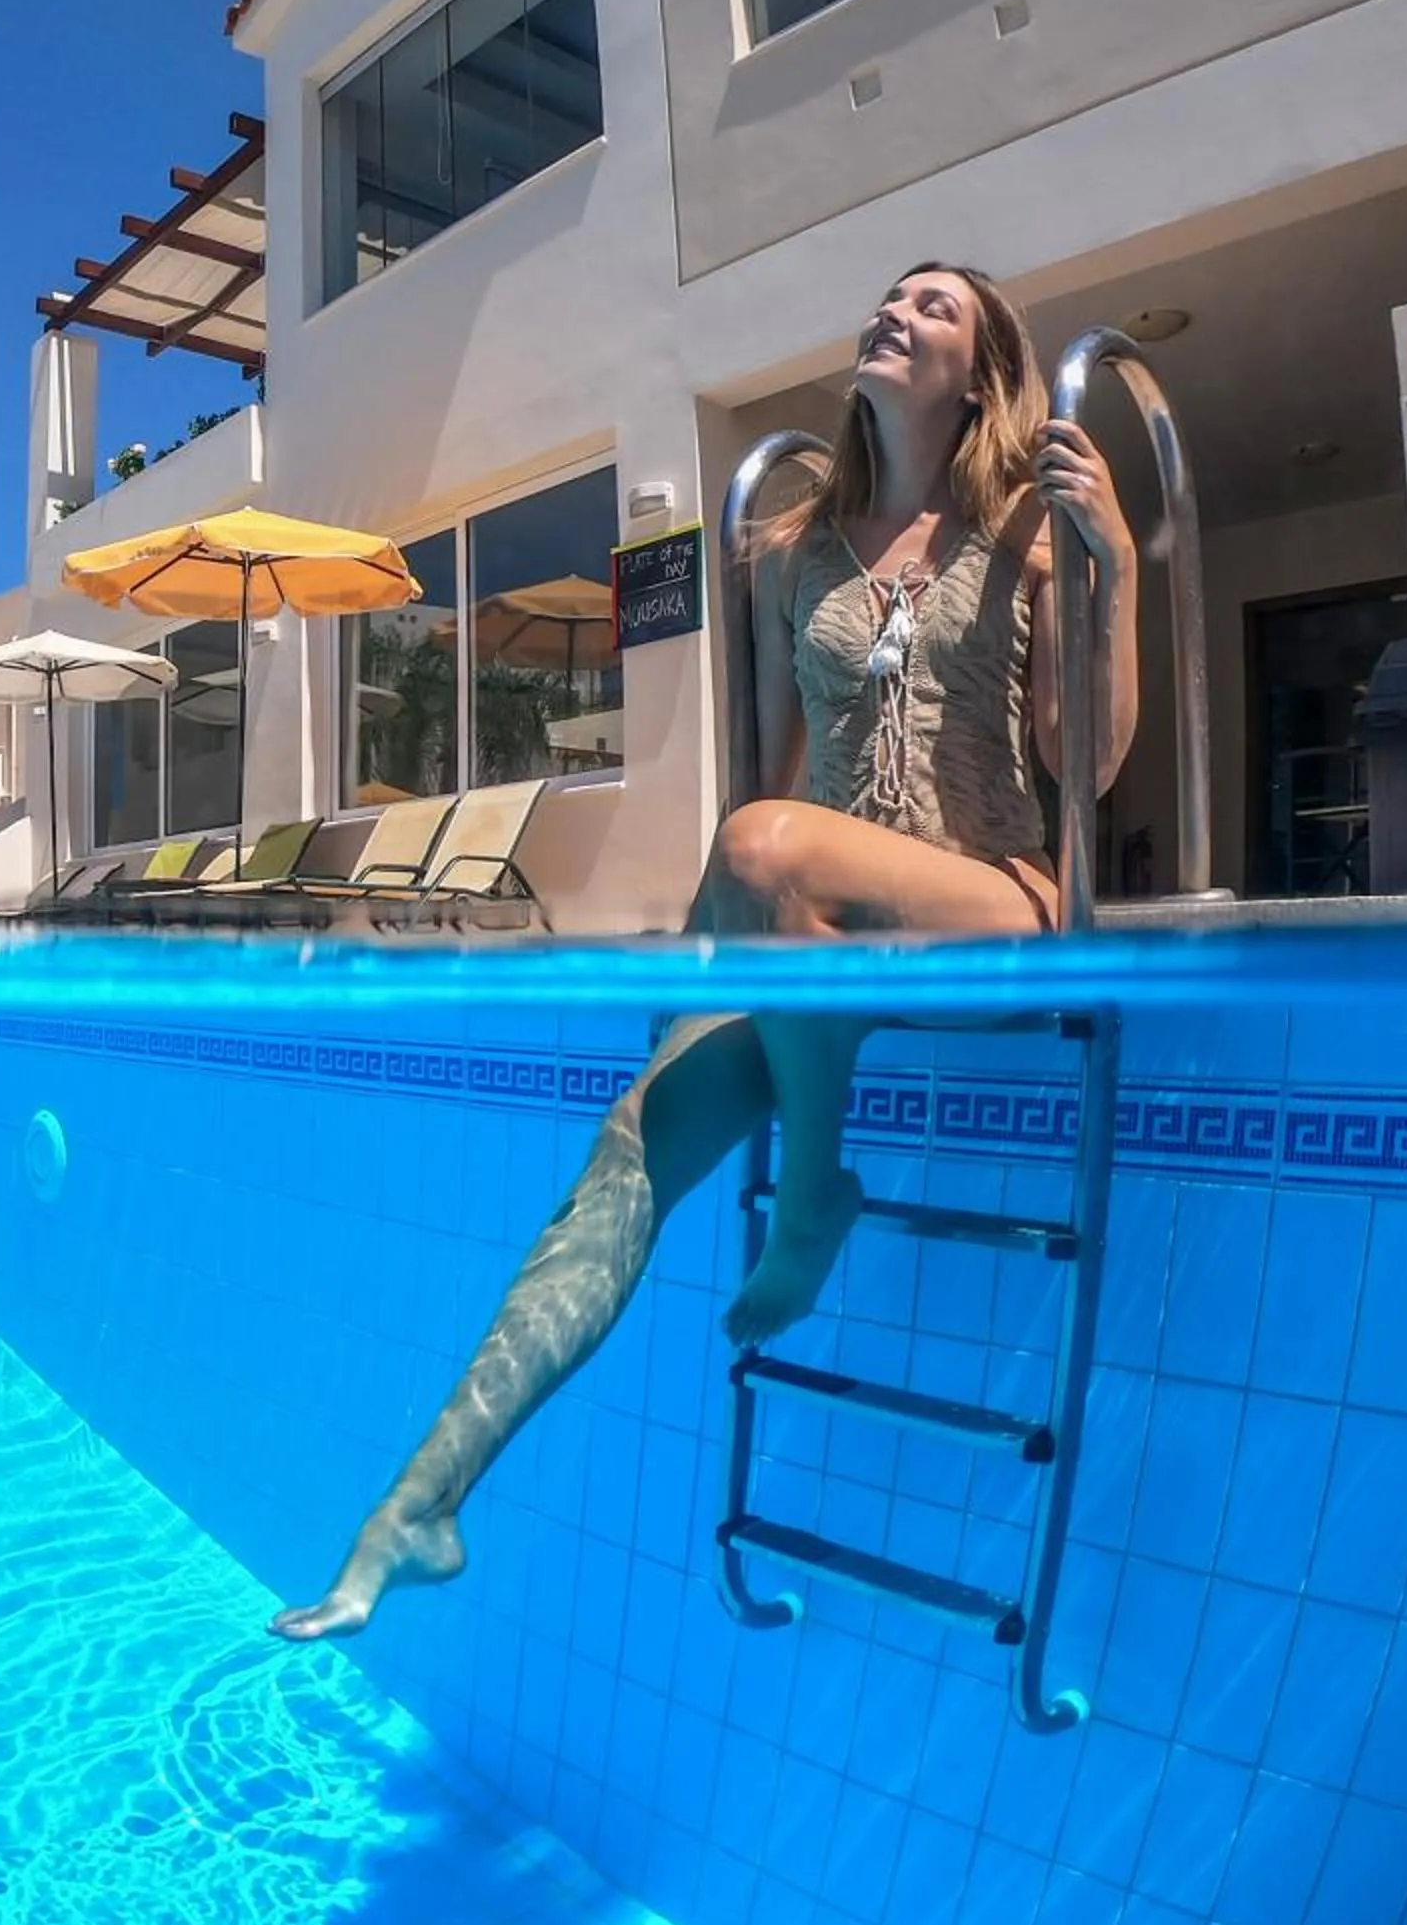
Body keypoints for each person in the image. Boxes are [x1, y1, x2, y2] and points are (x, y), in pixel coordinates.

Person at [271, 263, 1141, 1642]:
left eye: (933, 306)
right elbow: (779, 785)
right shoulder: (796, 549)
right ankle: (417, 1508)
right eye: (891, 295)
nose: (895, 310)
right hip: (820, 935)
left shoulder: (1031, 529)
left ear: (982, 372)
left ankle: (810, 1196)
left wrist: (1117, 570)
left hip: (997, 904)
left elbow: (1082, 765)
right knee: (625, 1150)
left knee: (762, 848)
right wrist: (691, 981)